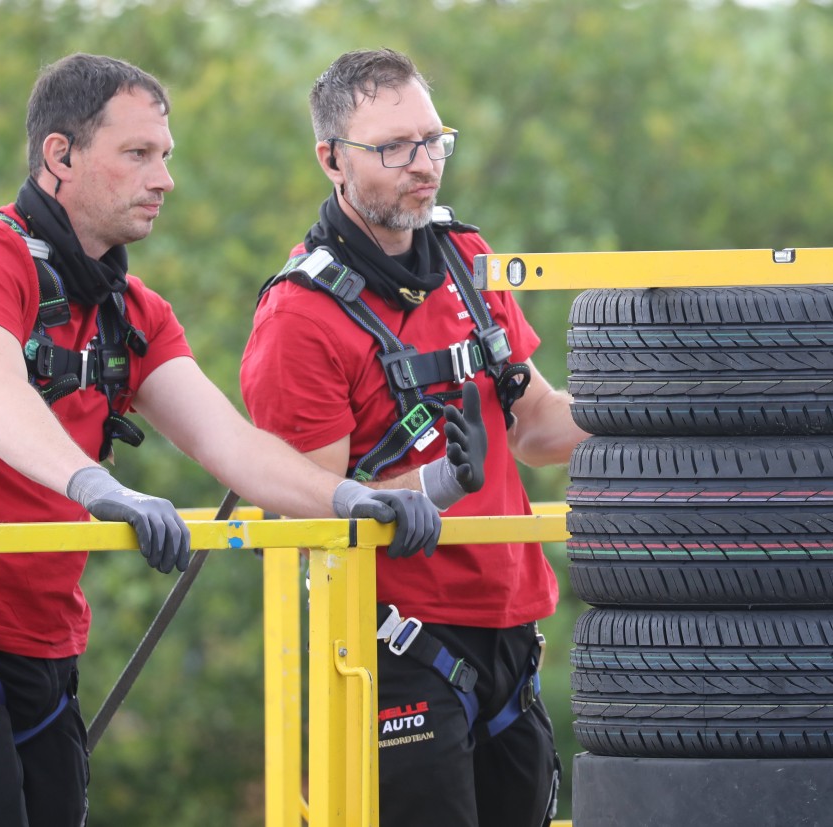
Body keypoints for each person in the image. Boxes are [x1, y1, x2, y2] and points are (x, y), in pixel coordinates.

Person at [0, 52, 480, 827]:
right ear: (60, 157)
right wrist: (99, 486)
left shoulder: (132, 312)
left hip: (41, 647)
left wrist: (353, 498)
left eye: (165, 156)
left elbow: (232, 446)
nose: (164, 178)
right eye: (137, 154)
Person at [240, 48, 589, 827]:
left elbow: (535, 425)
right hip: (395, 650)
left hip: (512, 631)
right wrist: (430, 486)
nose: (423, 164)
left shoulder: (470, 261)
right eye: (394, 147)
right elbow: (311, 511)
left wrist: (665, 403)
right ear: (331, 158)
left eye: (435, 141)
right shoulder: (299, 316)